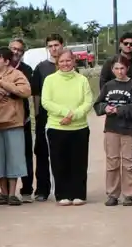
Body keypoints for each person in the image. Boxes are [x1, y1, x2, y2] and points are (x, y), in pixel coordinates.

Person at [40, 48, 92, 205]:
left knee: (79, 162)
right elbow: (46, 101)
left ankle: (79, 194)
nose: (65, 64)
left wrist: (73, 115)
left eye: (68, 60)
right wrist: (65, 113)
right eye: (61, 61)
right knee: (59, 162)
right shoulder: (50, 80)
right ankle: (62, 194)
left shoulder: (82, 80)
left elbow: (88, 102)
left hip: (79, 127)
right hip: (57, 127)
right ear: (57, 63)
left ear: (74, 61)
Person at [0, 47, 32, 205]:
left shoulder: (17, 74)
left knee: (14, 158)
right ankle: (3, 193)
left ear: (6, 61)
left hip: (13, 122)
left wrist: (4, 84)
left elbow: (26, 91)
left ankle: (13, 193)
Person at [98, 57, 132, 206]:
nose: (120, 71)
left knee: (129, 162)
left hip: (130, 129)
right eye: (116, 68)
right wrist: (105, 108)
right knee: (112, 161)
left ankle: (129, 194)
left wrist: (118, 110)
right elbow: (98, 103)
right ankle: (112, 194)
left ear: (128, 69)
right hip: (112, 128)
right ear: (112, 70)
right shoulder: (108, 86)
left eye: (122, 68)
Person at [29, 33, 64, 202]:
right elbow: (36, 93)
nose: (53, 49)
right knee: (42, 153)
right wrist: (37, 114)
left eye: (56, 45)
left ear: (62, 45)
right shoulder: (41, 68)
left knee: (63, 154)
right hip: (44, 116)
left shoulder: (68, 65)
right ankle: (42, 189)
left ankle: (64, 188)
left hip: (64, 117)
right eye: (50, 46)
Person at [9, 38, 36, 200]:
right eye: (13, 49)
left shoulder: (27, 69)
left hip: (23, 118)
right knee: (8, 155)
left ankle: (26, 189)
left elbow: (27, 91)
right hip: (4, 119)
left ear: (23, 52)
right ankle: (6, 192)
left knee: (26, 155)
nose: (15, 52)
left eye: (19, 49)